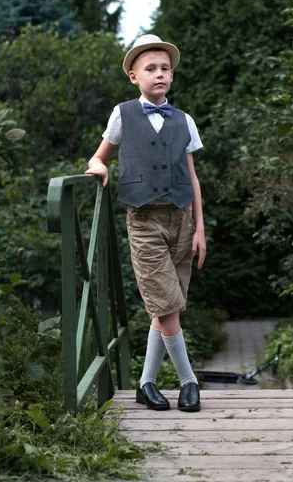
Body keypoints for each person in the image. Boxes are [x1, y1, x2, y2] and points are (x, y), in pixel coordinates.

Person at [86, 34, 206, 412]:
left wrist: (200, 228)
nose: (159, 74)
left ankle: (145, 384)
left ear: (172, 76)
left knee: (167, 306)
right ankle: (189, 382)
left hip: (182, 219)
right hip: (144, 221)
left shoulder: (184, 121)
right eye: (150, 69)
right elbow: (100, 155)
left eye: (165, 68)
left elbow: (192, 176)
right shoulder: (123, 114)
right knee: (166, 302)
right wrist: (98, 166)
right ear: (134, 77)